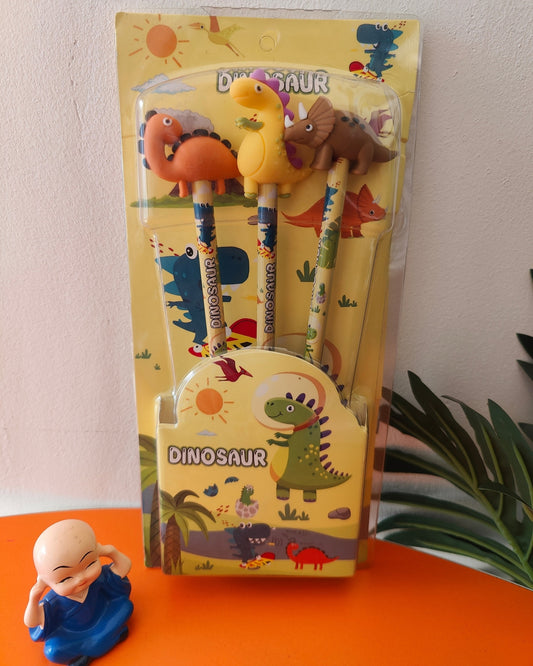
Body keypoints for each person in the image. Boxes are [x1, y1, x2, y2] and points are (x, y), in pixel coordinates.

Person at [24, 519, 133, 665]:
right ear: (46, 582)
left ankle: (88, 652)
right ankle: (110, 637)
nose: (81, 579)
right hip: (75, 635)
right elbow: (32, 622)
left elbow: (124, 568)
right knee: (52, 650)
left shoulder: (97, 580)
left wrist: (110, 551)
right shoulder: (53, 603)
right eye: (65, 579)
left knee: (125, 606)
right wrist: (34, 597)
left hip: (102, 618)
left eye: (90, 564)